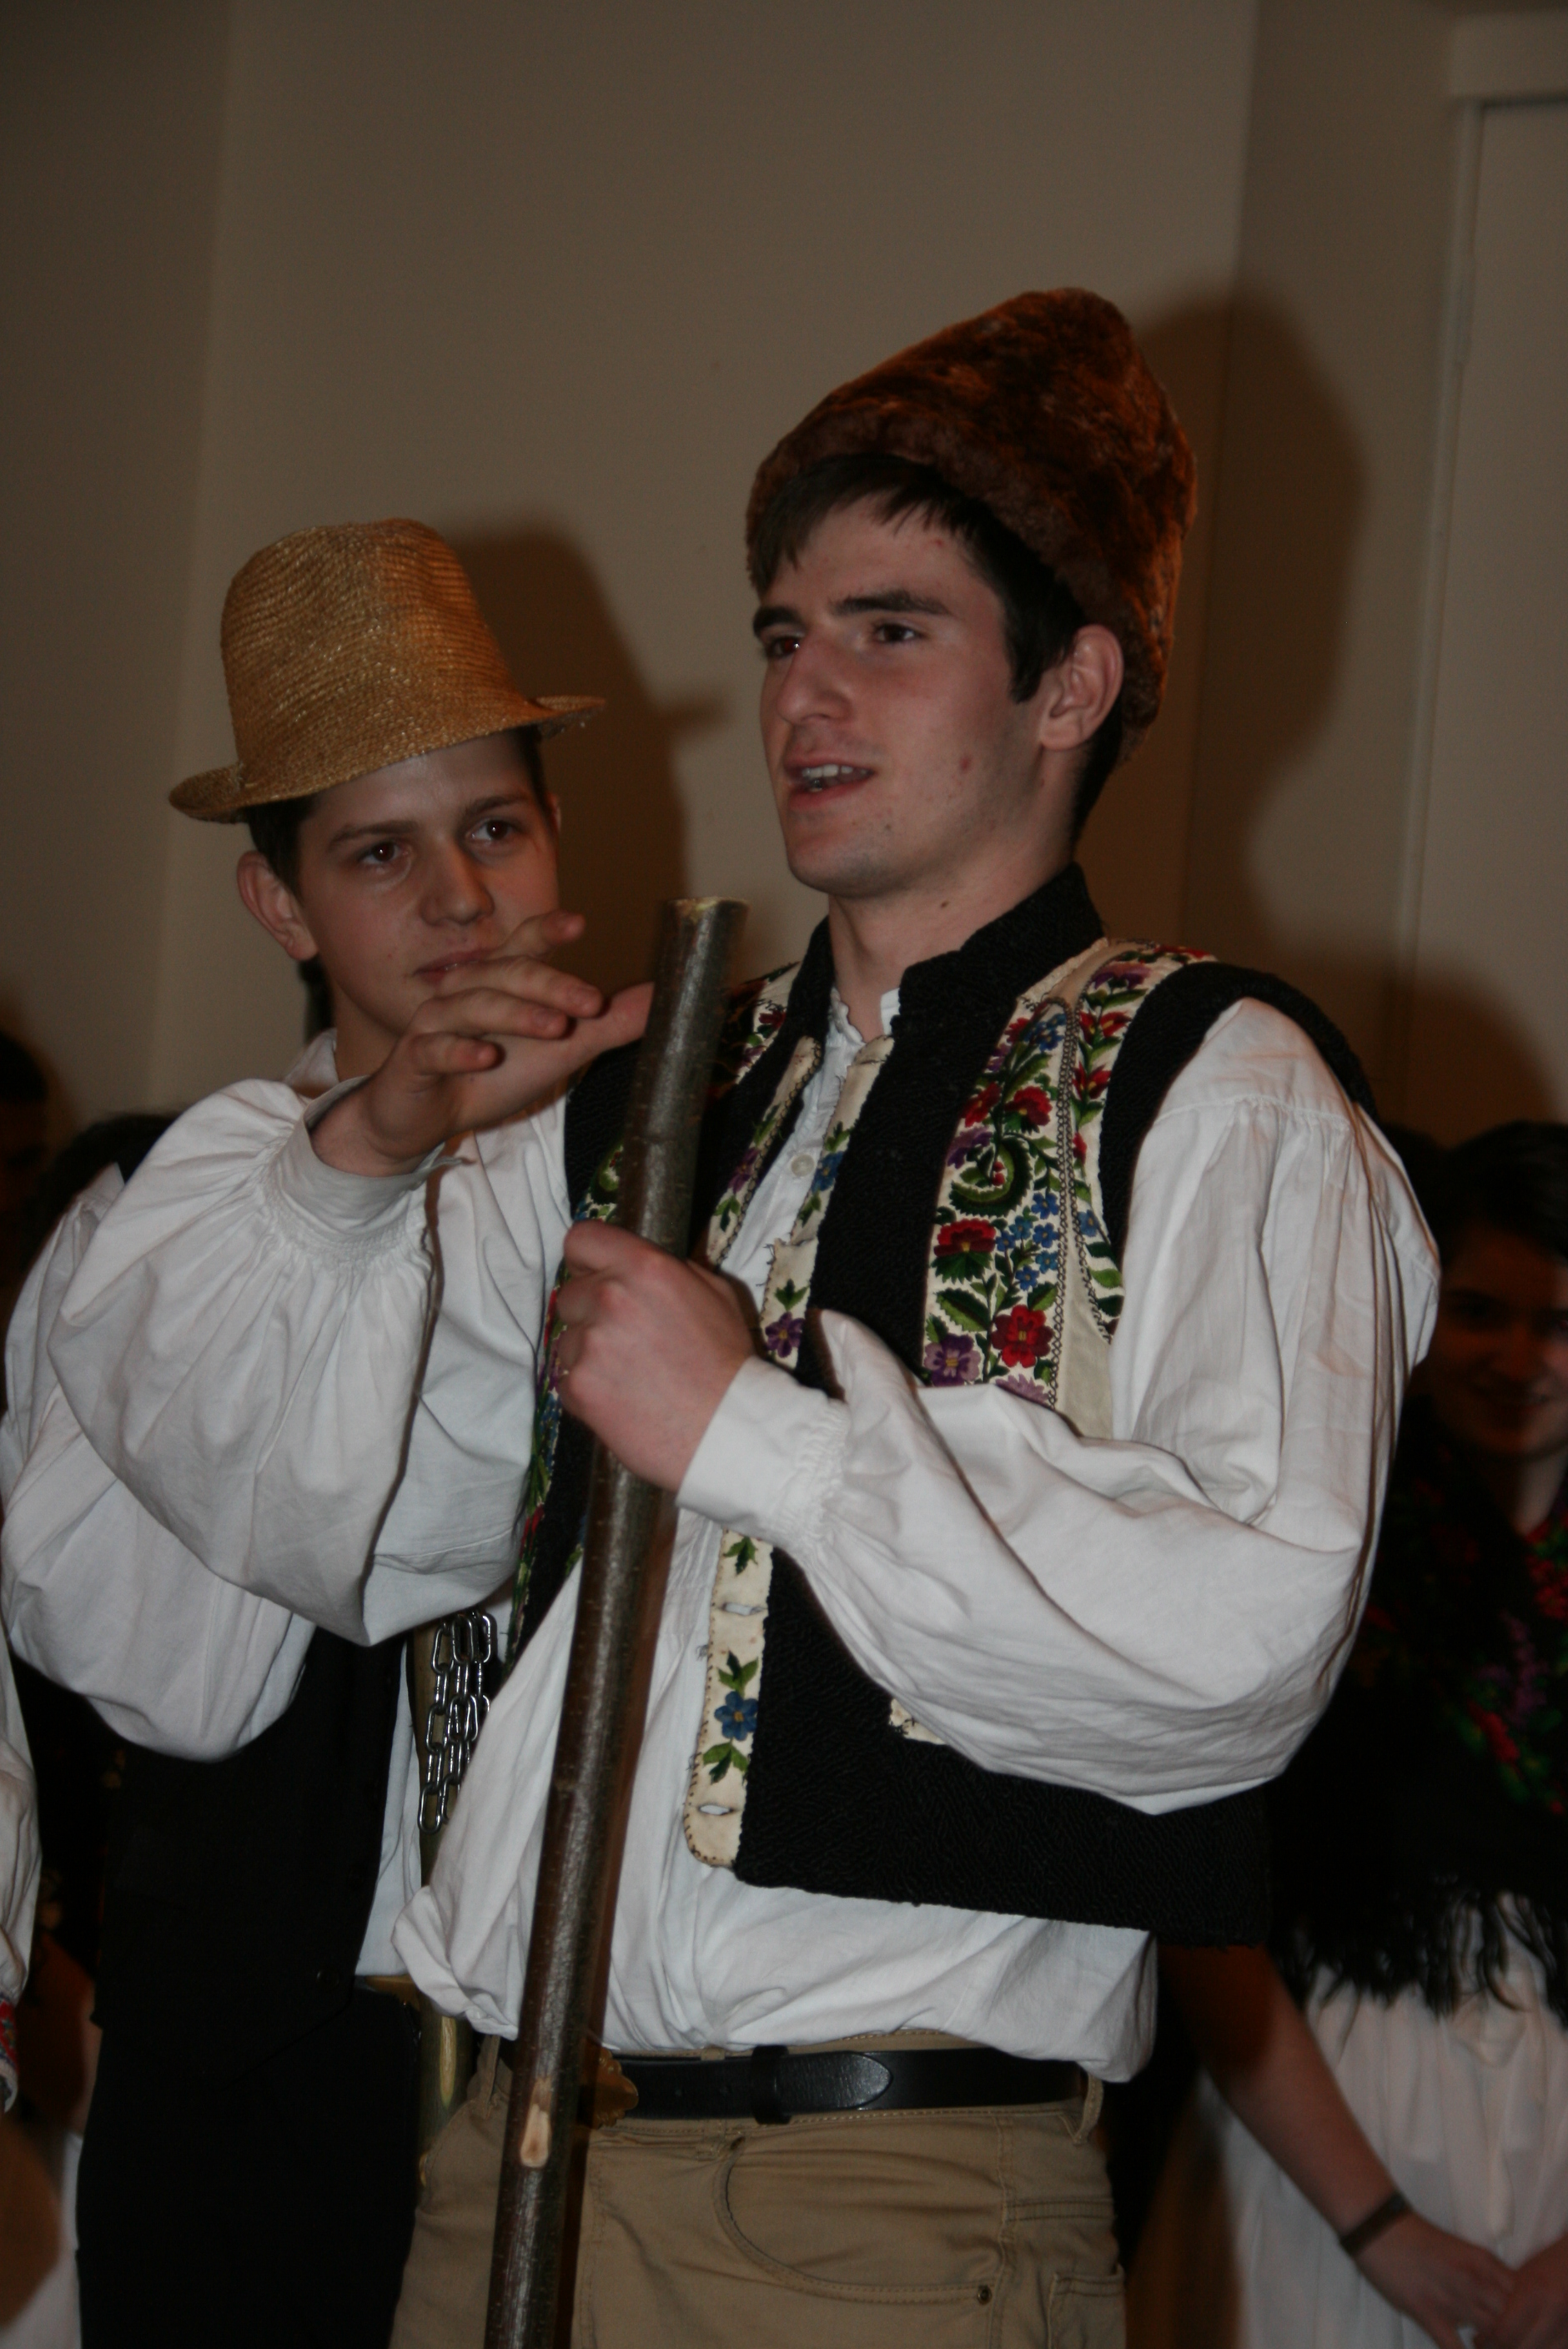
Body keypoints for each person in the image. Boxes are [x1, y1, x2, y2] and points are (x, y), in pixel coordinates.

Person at [8, 294, 1435, 2349]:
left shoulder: (1215, 1086)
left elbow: (1241, 1649)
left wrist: (756, 1436)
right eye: (780, 634)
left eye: (889, 629)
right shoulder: (661, 1092)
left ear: (1071, 680)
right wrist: (366, 1150)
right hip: (506, 2172)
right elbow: (319, 1536)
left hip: (875, 2207)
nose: (803, 694)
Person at [0, 518, 636, 2348]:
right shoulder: (153, 1231)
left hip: (591, 2078)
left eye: (494, 827)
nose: (456, 897)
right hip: (241, 2084)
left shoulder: (652, 1183)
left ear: (557, 834)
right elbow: (148, 1667)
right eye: (377, 851)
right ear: (279, 905)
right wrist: (372, 1168)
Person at [1130, 1120, 1568, 2349]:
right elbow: (1198, 1893)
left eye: (1560, 1324)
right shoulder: (1311, 1539)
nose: (1518, 1359)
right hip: (1316, 2146)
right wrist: (1378, 2227)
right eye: (1479, 1312)